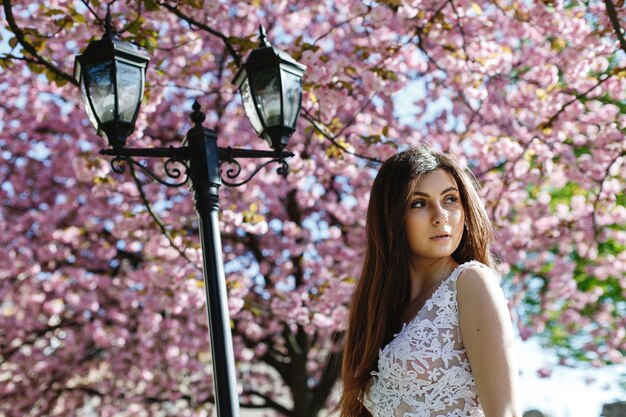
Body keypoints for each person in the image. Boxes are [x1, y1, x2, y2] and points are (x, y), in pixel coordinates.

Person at [337, 147, 520, 417]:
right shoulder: (382, 312)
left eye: (450, 200)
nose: (440, 216)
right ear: (392, 217)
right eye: (419, 203)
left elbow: (505, 413)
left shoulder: (470, 283)